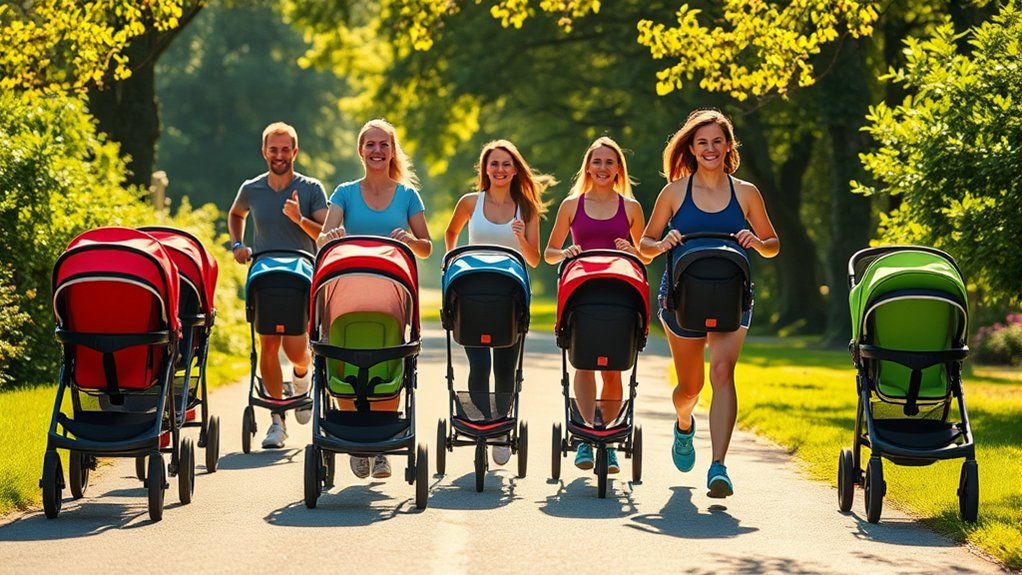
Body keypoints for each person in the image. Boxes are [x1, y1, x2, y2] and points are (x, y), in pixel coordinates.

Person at [638, 109, 779, 498]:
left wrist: (756, 241)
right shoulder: (673, 193)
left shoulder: (746, 193)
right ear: (692, 148)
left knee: (721, 372)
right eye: (703, 142)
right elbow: (644, 247)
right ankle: (684, 423)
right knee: (691, 386)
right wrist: (661, 243)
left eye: (718, 141)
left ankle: (718, 466)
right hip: (682, 297)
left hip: (733, 295)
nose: (711, 148)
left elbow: (773, 245)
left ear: (728, 145)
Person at [318, 118, 433, 479]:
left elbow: (427, 247)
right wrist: (333, 233)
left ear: (392, 150)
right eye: (371, 144)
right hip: (347, 295)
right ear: (360, 150)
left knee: (388, 359)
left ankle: (381, 443)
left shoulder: (408, 196)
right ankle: (354, 438)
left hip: (392, 296)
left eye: (384, 144)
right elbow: (324, 240)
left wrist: (410, 243)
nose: (377, 151)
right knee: (346, 356)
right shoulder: (344, 193)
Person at [543, 136, 651, 475]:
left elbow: (647, 252)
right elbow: (550, 253)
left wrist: (634, 250)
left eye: (609, 162)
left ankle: (607, 437)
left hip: (619, 298)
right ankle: (587, 437)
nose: (602, 168)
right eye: (597, 162)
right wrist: (566, 253)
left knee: (614, 370)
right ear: (587, 166)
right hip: (583, 295)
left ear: (618, 168)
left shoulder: (630, 208)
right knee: (584, 365)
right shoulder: (571, 205)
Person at [444, 139, 554, 466]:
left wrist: (520, 236)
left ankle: (501, 428)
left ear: (515, 169)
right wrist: (450, 260)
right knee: (479, 365)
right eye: (494, 164)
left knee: (505, 368)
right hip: (474, 297)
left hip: (510, 300)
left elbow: (534, 259)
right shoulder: (470, 202)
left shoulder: (527, 208)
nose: (500, 170)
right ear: (485, 169)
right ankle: (482, 425)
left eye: (506, 164)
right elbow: (451, 233)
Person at [228, 122, 328, 449]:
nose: (280, 155)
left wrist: (299, 217)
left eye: (286, 149)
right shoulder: (251, 188)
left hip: (301, 276)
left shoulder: (311, 188)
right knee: (268, 344)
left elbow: (325, 236)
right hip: (265, 274)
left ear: (295, 152)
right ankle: (277, 420)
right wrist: (237, 245)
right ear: (264, 152)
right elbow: (236, 214)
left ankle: (301, 377)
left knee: (296, 350)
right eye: (274, 149)